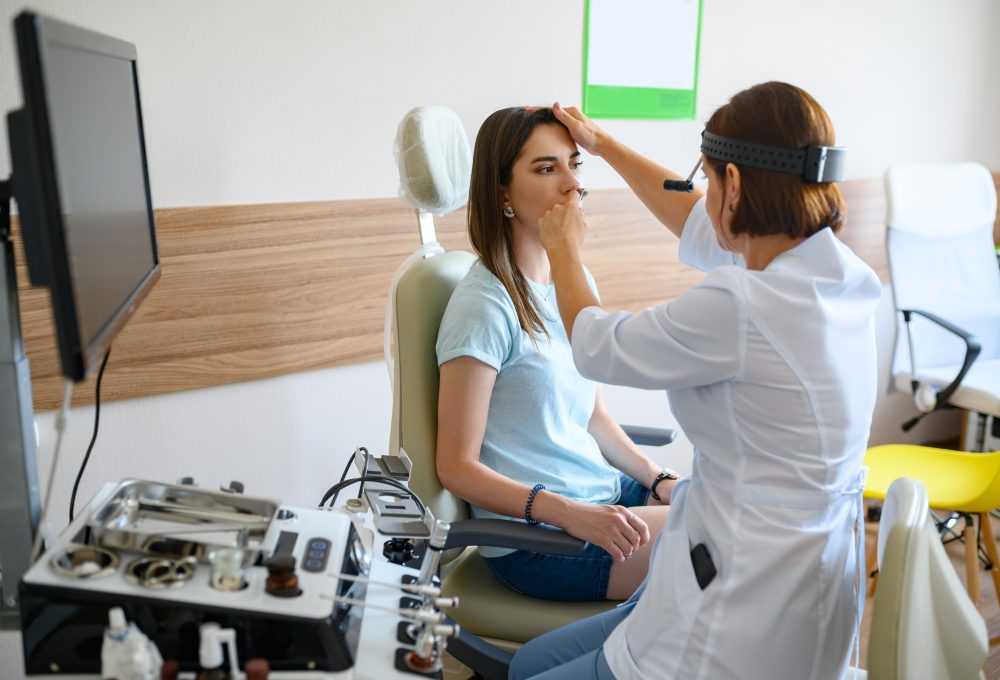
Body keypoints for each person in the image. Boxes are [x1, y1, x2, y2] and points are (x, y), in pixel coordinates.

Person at [510, 82, 881, 679]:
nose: (703, 196)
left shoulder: (744, 305)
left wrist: (565, 252)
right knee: (530, 662)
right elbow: (699, 228)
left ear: (735, 184)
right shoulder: (841, 276)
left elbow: (595, 344)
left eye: (706, 179)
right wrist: (604, 145)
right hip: (806, 575)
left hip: (735, 607)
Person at [435, 107, 677, 602]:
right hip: (539, 540)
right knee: (727, 542)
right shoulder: (484, 305)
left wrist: (658, 480)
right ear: (502, 193)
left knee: (735, 511)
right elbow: (455, 466)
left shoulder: (572, 280)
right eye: (547, 169)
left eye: (574, 164)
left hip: (600, 495)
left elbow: (594, 417)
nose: (573, 186)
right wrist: (568, 512)